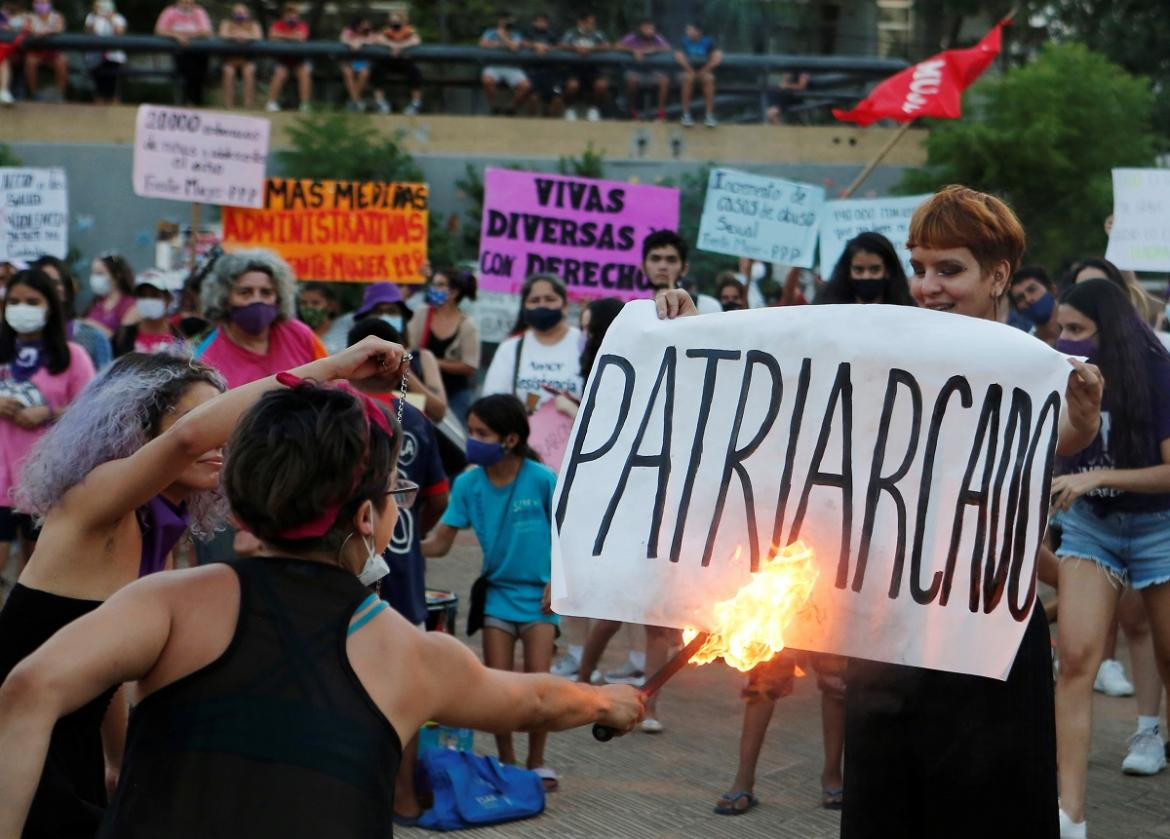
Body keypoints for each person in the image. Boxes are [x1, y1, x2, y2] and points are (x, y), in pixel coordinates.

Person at [649, 185, 1105, 837]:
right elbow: (776, 391)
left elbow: (1054, 439)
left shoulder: (1034, 369)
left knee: (988, 812)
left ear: (998, 274)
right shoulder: (880, 351)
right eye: (919, 267)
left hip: (987, 639)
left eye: (950, 269)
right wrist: (693, 327)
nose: (927, 286)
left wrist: (1083, 422)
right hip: (888, 635)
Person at [0, 352, 225, 838]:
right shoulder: (96, 497)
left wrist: (118, 763)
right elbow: (187, 440)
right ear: (139, 435)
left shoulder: (160, 528)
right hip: (15, 734)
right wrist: (330, 368)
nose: (216, 440)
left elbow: (117, 673)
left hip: (69, 742)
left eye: (221, 421)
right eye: (198, 422)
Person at [1049, 278, 1170, 834]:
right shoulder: (1058, 373)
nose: (1066, 339)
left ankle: (1151, 730)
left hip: (1158, 527)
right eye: (1061, 329)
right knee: (1076, 660)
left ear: (1110, 330)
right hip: (1089, 529)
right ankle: (1069, 817)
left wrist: (1100, 472)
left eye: (1078, 330)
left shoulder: (1156, 369)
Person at [422, 393, 563, 792]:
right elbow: (441, 542)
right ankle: (507, 762)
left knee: (540, 687)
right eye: (471, 431)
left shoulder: (542, 479)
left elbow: (568, 533)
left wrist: (560, 581)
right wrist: (401, 549)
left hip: (540, 599)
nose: (472, 439)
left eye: (482, 433)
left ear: (511, 439)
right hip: (496, 596)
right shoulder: (467, 483)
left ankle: (537, 763)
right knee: (498, 688)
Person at [345, 317, 449, 827]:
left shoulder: (330, 412)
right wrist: (404, 528)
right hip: (402, 570)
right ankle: (404, 796)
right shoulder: (417, 417)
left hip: (339, 568)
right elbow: (437, 500)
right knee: (406, 687)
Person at [0, 269, 96, 576]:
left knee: (34, 571)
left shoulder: (73, 356)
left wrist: (49, 412)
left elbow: (92, 411)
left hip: (45, 478)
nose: (21, 308)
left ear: (50, 306)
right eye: (13, 301)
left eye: (32, 301)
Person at [194, 249, 326, 390]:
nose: (257, 300)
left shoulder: (300, 335)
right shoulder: (206, 361)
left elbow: (334, 383)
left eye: (266, 292)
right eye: (245, 292)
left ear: (279, 297)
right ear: (224, 299)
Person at [482, 273, 582, 413]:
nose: (542, 305)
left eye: (550, 299)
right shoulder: (510, 348)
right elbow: (492, 401)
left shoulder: (584, 345)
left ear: (565, 306)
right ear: (524, 308)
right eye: (534, 300)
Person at [354, 282, 447, 423]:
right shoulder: (354, 357)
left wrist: (404, 370)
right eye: (377, 312)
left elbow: (439, 412)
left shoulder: (422, 357)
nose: (384, 316)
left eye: (391, 311)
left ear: (402, 317)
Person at [406, 267, 480, 423]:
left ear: (453, 293)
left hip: (456, 394)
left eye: (439, 285)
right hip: (424, 389)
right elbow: (409, 347)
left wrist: (432, 362)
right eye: (433, 284)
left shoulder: (467, 325)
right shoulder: (422, 314)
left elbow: (470, 366)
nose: (433, 289)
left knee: (456, 438)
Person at [30, 255, 113, 371]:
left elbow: (105, 386)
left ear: (66, 290)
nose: (48, 289)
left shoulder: (93, 338)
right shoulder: (17, 338)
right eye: (42, 283)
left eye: (54, 283)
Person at [812, 231, 916, 306]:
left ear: (888, 271)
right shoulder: (827, 304)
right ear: (848, 270)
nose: (866, 276)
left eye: (874, 270)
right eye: (858, 270)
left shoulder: (907, 304)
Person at [1071, 257, 1163, 329]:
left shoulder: (1136, 340)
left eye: (1101, 288)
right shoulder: (1064, 332)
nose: (1091, 295)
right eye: (1083, 288)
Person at [154, 0, 212, 106]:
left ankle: (196, 101)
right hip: (178, 53)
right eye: (184, 2)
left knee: (200, 68)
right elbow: (159, 30)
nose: (187, 4)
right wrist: (176, 36)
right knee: (186, 68)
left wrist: (186, 36)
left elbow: (206, 31)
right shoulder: (170, 11)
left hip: (198, 53)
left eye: (190, 2)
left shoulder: (199, 12)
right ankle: (188, 100)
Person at [113, 270, 185, 355]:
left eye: (154, 295)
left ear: (168, 299)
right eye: (143, 295)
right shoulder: (124, 336)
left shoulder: (178, 337)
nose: (148, 300)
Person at [618, 18, 670, 121]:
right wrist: (634, 50)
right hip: (634, 69)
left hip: (652, 71)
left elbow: (667, 48)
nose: (649, 30)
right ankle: (632, 112)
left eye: (651, 28)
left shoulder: (656, 38)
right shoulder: (632, 37)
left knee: (664, 80)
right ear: (641, 28)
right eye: (646, 28)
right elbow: (617, 46)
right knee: (632, 80)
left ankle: (660, 114)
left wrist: (653, 49)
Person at [560, 11, 609, 122]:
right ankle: (569, 109)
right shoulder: (571, 33)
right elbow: (561, 45)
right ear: (580, 22)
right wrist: (575, 48)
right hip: (574, 68)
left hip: (592, 68)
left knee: (602, 85)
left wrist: (591, 49)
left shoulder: (598, 34)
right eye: (588, 23)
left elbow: (606, 46)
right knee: (572, 85)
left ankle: (593, 109)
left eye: (592, 23)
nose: (590, 25)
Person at [480, 11, 530, 115]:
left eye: (509, 20)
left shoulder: (516, 34)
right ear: (500, 21)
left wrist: (501, 37)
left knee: (525, 86)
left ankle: (510, 108)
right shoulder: (490, 32)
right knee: (487, 80)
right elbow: (483, 44)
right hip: (494, 65)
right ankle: (494, 107)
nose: (508, 22)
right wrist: (504, 44)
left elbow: (514, 47)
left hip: (512, 66)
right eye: (506, 20)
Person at [264, 2, 311, 113]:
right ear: (284, 15)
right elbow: (271, 36)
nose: (291, 16)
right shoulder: (278, 24)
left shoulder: (302, 25)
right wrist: (290, 36)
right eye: (288, 13)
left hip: (299, 59)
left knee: (305, 73)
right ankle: (271, 103)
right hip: (283, 59)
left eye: (293, 13)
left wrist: (282, 36)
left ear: (297, 15)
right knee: (280, 74)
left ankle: (304, 104)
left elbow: (301, 37)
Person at [377, 4, 422, 116]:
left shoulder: (408, 30)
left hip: (404, 61)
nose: (394, 22)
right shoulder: (387, 30)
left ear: (402, 20)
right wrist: (392, 45)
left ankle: (415, 104)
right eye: (392, 19)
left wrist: (400, 46)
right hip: (389, 61)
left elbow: (416, 40)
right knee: (377, 71)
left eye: (396, 19)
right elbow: (379, 39)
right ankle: (381, 103)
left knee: (415, 72)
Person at [675, 22, 720, 128]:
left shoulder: (708, 42)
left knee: (709, 78)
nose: (688, 32)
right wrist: (690, 70)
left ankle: (709, 115)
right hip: (686, 72)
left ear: (698, 32)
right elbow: (679, 57)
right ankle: (686, 115)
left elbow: (717, 58)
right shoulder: (683, 41)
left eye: (690, 30)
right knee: (687, 78)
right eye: (687, 30)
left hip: (703, 72)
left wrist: (703, 71)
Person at [83, 252, 137, 339]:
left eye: (99, 273)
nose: (94, 278)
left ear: (117, 275)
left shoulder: (130, 305)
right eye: (93, 273)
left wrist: (91, 325)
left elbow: (121, 340)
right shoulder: (96, 303)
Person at [217, 3, 261, 109]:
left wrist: (246, 36)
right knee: (228, 71)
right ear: (232, 14)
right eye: (237, 13)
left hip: (247, 60)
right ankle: (228, 105)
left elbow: (258, 36)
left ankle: (248, 105)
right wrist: (235, 35)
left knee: (249, 71)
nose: (239, 15)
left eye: (242, 13)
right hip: (230, 60)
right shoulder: (226, 23)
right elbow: (222, 34)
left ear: (247, 14)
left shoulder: (253, 24)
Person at [22, 0, 67, 101]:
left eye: (43, 2)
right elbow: (29, 30)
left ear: (49, 3)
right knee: (30, 62)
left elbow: (58, 29)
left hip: (53, 52)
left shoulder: (56, 16)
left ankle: (60, 95)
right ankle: (34, 94)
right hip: (36, 51)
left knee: (62, 62)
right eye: (38, 2)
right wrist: (42, 33)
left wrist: (44, 33)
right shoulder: (30, 17)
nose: (41, 5)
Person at [83, 0, 126, 105]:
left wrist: (110, 18)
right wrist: (95, 16)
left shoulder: (118, 18)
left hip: (113, 58)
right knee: (98, 90)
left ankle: (115, 116)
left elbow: (119, 32)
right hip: (95, 58)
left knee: (112, 91)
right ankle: (99, 118)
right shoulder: (91, 17)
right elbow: (88, 33)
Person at [522, 12, 562, 117]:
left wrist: (547, 48)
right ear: (534, 23)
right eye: (539, 21)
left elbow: (561, 46)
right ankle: (532, 123)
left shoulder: (552, 33)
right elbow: (522, 43)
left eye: (544, 22)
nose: (541, 24)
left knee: (557, 98)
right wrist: (535, 45)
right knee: (533, 98)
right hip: (533, 72)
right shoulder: (528, 32)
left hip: (551, 72)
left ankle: (551, 122)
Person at [1010, 266, 1061, 345]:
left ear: (1052, 290)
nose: (1028, 299)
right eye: (1020, 298)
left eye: (1032, 290)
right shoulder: (1026, 347)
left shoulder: (1081, 331)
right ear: (1018, 310)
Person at [297, 281, 350, 355]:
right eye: (304, 303)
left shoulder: (347, 324)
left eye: (315, 303)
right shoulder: (296, 336)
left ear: (331, 306)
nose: (309, 307)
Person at [339, 14, 376, 112]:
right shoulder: (348, 31)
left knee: (364, 73)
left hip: (362, 62)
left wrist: (360, 42)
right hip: (349, 61)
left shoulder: (370, 33)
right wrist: (352, 42)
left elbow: (373, 40)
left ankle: (353, 101)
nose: (366, 26)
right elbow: (343, 38)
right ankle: (356, 101)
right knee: (347, 71)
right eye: (364, 24)